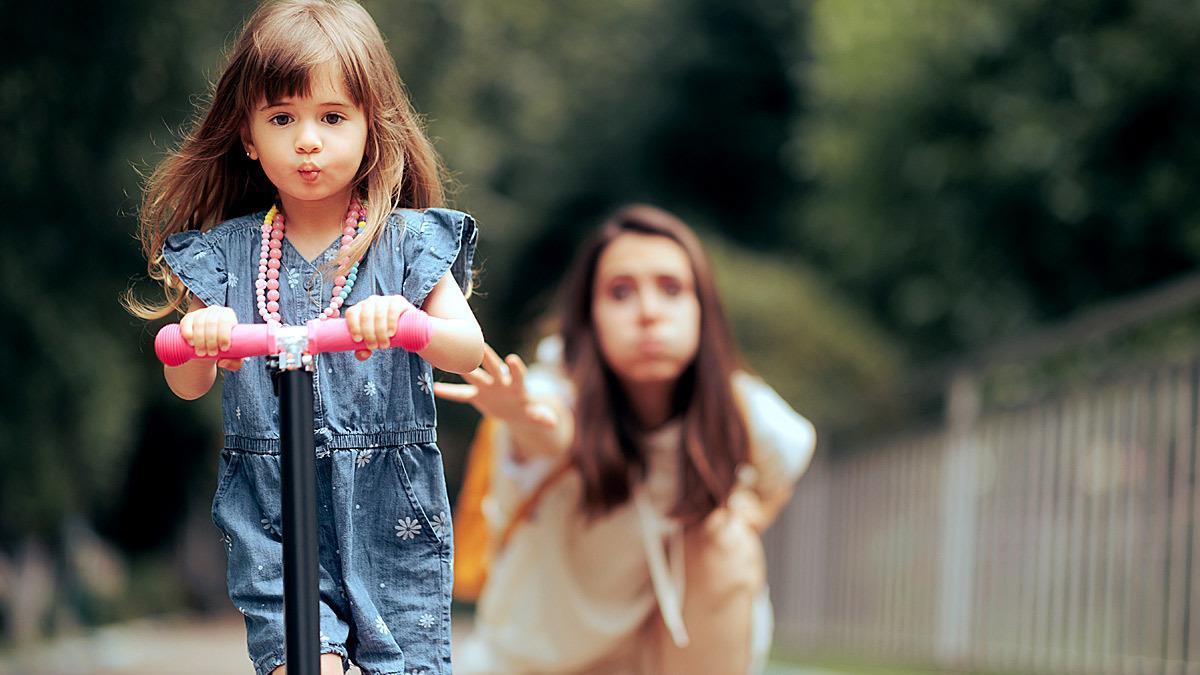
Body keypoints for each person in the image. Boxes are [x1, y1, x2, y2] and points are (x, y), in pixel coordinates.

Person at [124, 1, 484, 673]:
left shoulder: (407, 244)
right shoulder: (226, 257)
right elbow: (187, 382)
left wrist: (408, 323)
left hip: (389, 506)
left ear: (372, 127)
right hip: (273, 509)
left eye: (333, 117)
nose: (308, 140)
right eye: (283, 118)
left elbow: (467, 350)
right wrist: (201, 336)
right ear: (249, 136)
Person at [435, 204, 816, 674]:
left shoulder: (738, 408)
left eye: (671, 289)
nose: (649, 312)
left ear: (703, 310)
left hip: (657, 657)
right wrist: (522, 416)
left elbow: (794, 452)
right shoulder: (556, 390)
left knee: (727, 538)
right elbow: (551, 430)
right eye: (620, 292)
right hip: (537, 663)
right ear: (590, 316)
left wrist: (747, 514)